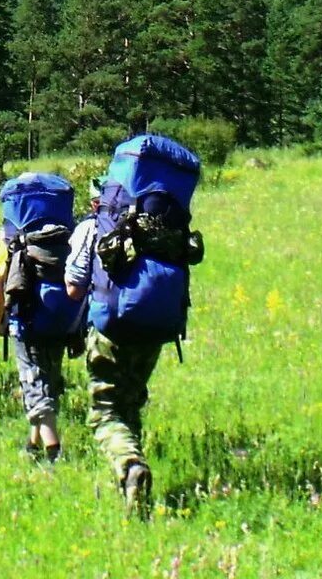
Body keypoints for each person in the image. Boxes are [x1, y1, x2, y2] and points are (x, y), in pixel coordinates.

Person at [66, 121, 205, 519]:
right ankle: (132, 489)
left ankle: (129, 466)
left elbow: (76, 284)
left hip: (111, 319)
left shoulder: (102, 224)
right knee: (131, 400)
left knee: (104, 410)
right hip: (158, 320)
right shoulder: (164, 224)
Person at [0, 170, 87, 461]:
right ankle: (32, 445)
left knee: (33, 380)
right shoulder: (70, 234)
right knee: (48, 375)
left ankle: (53, 448)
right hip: (64, 316)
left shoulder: (5, 239)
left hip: (27, 316)